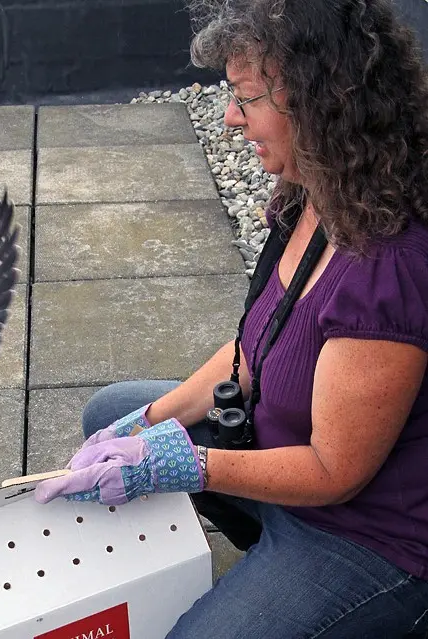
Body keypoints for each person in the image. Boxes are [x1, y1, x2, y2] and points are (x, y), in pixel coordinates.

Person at [35, 0, 428, 636]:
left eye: (245, 99)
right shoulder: (313, 197)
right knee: (110, 412)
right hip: (284, 454)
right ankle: (263, 551)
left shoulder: (392, 267)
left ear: (320, 103)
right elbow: (252, 349)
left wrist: (183, 464)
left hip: (366, 531)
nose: (229, 117)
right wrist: (148, 424)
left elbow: (335, 472)